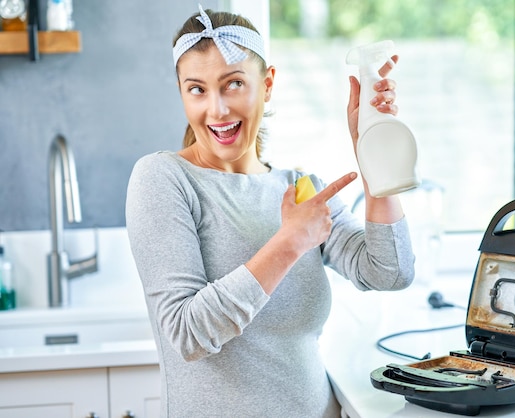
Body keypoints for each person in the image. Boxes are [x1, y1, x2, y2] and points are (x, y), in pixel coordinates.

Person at [126, 5, 414, 417]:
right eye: (197, 89)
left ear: (268, 83)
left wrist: (372, 146)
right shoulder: (163, 179)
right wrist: (290, 242)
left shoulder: (299, 190)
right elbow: (188, 335)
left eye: (234, 84)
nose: (218, 109)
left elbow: (390, 271)